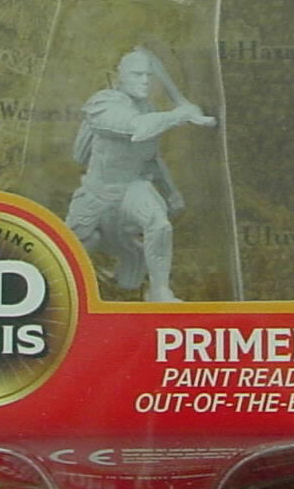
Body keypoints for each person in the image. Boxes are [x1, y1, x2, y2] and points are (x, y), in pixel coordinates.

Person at [65, 47, 215, 302]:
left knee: (159, 223)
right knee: (76, 246)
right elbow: (136, 129)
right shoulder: (102, 104)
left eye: (148, 75)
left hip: (132, 188)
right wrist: (180, 114)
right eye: (136, 74)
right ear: (117, 77)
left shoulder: (149, 109)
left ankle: (160, 291)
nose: (145, 81)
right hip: (98, 192)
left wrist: (171, 192)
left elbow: (151, 160)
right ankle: (72, 292)